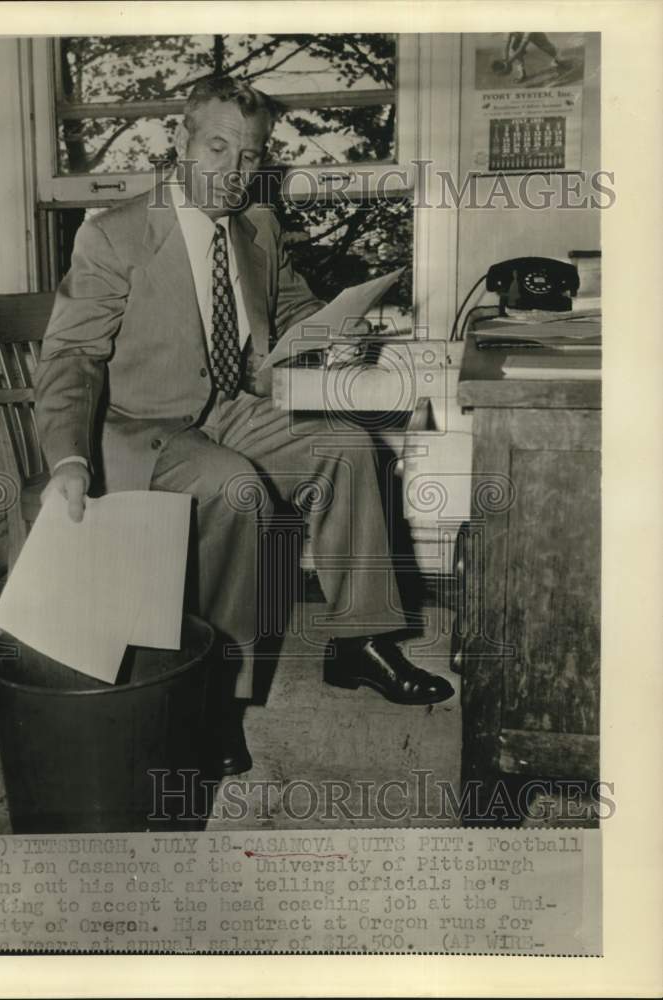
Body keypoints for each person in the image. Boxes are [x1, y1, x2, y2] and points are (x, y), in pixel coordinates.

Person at [34, 75, 454, 777]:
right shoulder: (114, 235)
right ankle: (214, 699)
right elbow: (73, 357)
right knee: (235, 490)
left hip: (226, 408)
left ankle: (358, 640)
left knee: (350, 449)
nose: (233, 170)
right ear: (182, 141)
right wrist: (68, 459)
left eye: (250, 154)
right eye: (219, 147)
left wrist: (331, 334)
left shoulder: (256, 229)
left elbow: (290, 314)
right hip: (139, 423)